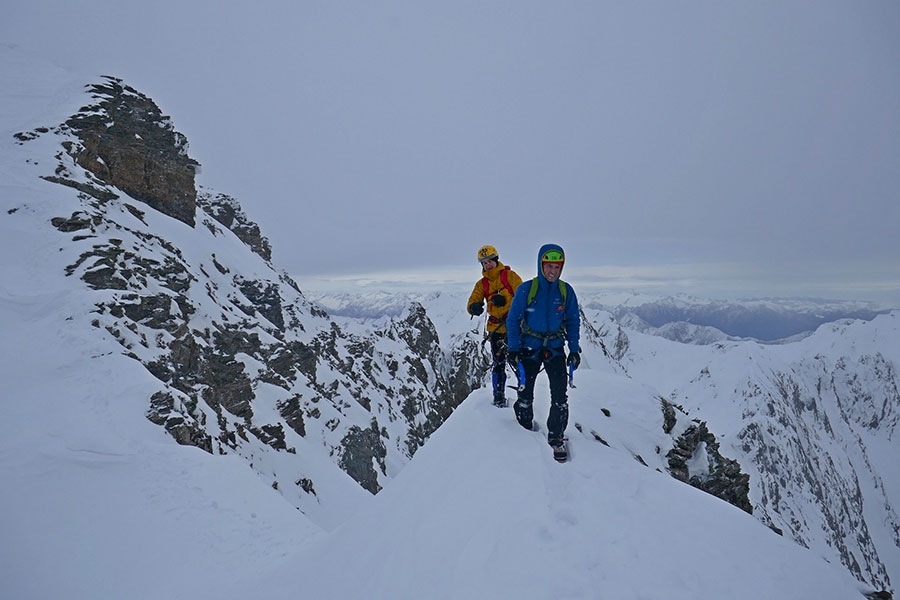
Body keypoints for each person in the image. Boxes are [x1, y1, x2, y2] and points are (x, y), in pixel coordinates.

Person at [506, 243, 581, 458]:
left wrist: (574, 349)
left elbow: (573, 321)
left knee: (560, 395)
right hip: (529, 347)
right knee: (525, 392)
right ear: (541, 265)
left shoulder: (565, 291)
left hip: (555, 347)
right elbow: (513, 319)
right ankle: (524, 427)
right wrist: (513, 348)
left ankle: (556, 436)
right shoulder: (527, 290)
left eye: (557, 267)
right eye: (548, 266)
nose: (552, 271)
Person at [467, 245, 523, 407]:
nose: (486, 265)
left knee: (517, 361)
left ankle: (523, 392)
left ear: (495, 260)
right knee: (499, 363)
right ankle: (498, 395)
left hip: (514, 327)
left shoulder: (510, 276)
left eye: (489, 262)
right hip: (496, 330)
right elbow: (473, 300)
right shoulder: (482, 284)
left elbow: (523, 296)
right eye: (483, 263)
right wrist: (474, 307)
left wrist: (507, 303)